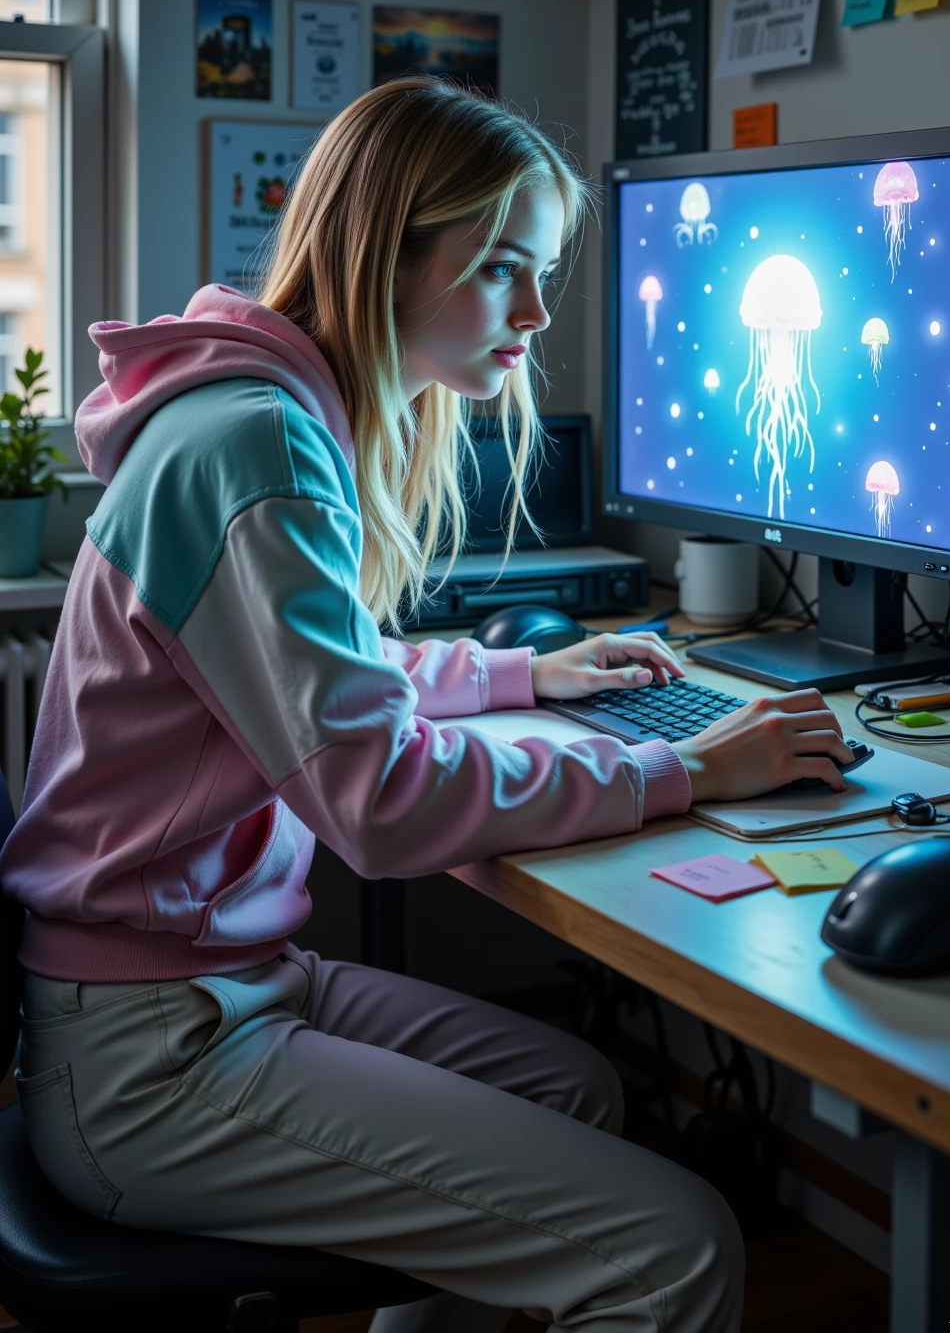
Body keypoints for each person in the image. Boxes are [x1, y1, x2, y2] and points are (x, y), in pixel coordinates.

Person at [0, 78, 852, 1333]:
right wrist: (687, 773)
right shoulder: (257, 446)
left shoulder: (260, 414)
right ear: (382, 254)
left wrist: (524, 675)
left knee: (575, 1090)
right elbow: (378, 805)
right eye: (503, 267)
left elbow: (311, 675)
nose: (537, 311)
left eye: (542, 271)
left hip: (223, 982)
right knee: (676, 1250)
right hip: (149, 1059)